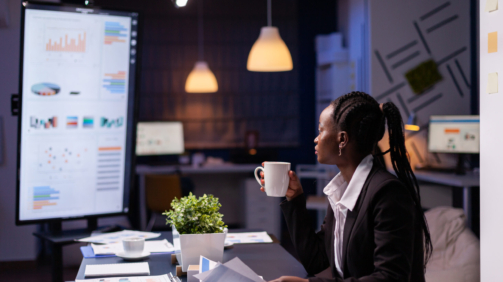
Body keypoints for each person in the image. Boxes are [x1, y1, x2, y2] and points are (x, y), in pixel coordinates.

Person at [261, 92, 432, 282]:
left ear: (342, 139)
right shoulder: (342, 190)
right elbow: (316, 260)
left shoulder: (388, 194)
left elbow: (390, 277)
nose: (316, 139)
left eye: (321, 130)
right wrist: (294, 198)